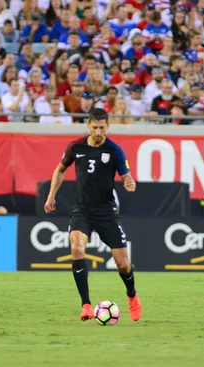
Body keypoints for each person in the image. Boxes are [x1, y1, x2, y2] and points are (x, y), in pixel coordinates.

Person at [44, 108, 142, 322]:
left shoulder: (115, 150)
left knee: (123, 264)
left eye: (102, 127)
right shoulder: (75, 147)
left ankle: (132, 296)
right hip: (82, 210)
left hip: (106, 211)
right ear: (88, 125)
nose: (98, 131)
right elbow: (60, 170)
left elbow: (127, 176)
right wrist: (51, 196)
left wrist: (130, 182)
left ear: (108, 127)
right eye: (95, 127)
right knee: (77, 248)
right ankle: (86, 304)